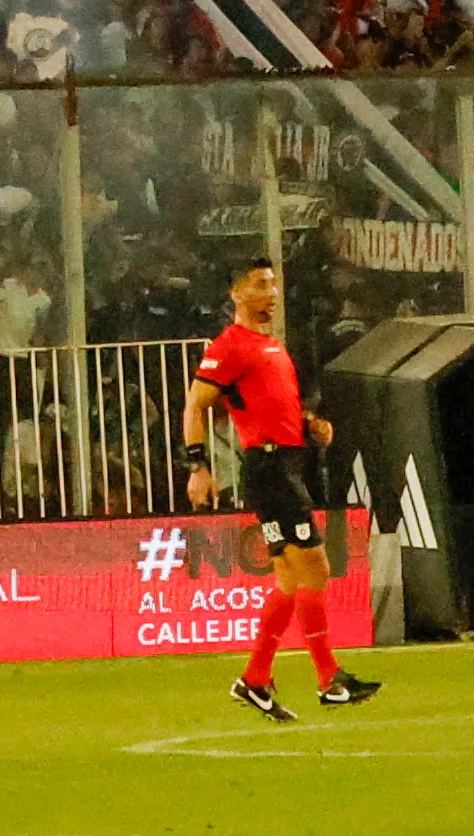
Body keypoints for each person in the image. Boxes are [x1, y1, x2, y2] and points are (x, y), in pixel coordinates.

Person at [187, 262, 373, 717]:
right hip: (270, 469)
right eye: (260, 285)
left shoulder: (272, 346)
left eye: (273, 285)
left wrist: (311, 426)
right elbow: (195, 405)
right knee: (315, 568)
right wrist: (197, 466)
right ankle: (329, 679)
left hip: (287, 464)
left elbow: (276, 407)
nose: (271, 293)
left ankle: (255, 679)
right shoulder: (229, 346)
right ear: (236, 292)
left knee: (290, 578)